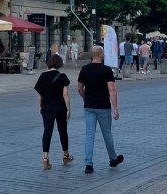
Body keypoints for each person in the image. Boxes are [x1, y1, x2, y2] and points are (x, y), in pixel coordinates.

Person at [77, 45, 124, 174]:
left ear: (92, 55)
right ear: (101, 55)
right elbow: (112, 89)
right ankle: (113, 159)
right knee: (107, 134)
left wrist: (85, 97)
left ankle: (89, 164)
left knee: (89, 136)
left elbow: (79, 88)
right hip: (103, 106)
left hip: (89, 106)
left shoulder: (84, 70)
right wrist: (116, 107)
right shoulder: (106, 70)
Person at [35, 54, 73, 170]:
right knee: (62, 130)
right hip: (60, 108)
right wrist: (68, 109)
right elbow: (65, 94)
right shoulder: (62, 76)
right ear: (59, 64)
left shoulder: (42, 75)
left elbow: (39, 94)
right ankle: (66, 155)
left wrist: (40, 106)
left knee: (47, 131)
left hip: (46, 107)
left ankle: (45, 158)